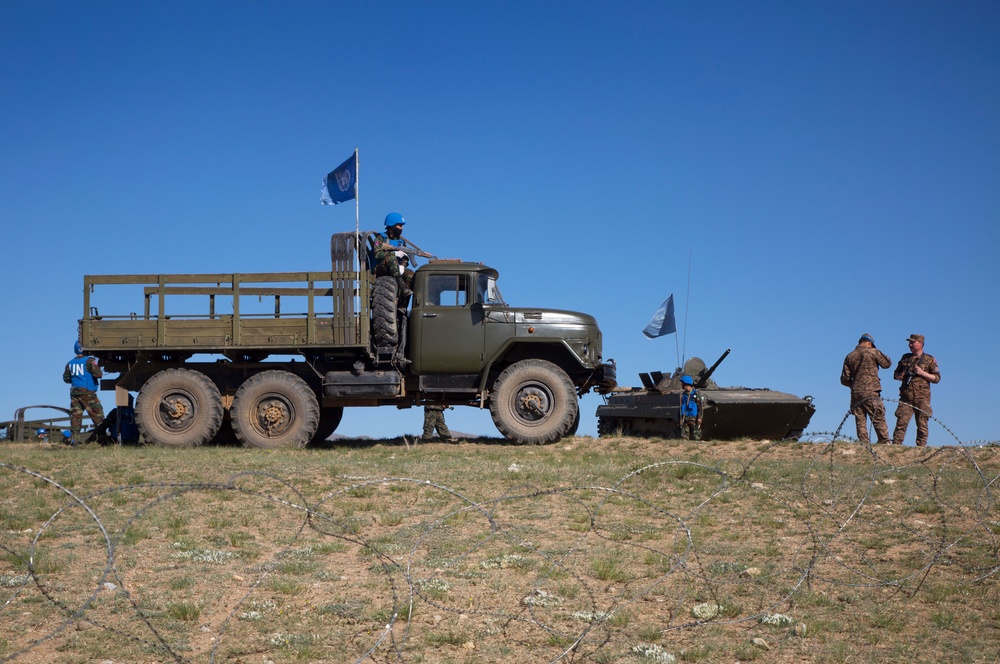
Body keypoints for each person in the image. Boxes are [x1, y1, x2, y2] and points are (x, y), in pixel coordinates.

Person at [840, 333, 892, 445]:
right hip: (871, 390)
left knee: (860, 420)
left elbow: (844, 379)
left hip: (856, 392)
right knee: (878, 416)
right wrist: (876, 350)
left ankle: (864, 443)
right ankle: (884, 441)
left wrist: (853, 385)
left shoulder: (850, 356)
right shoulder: (873, 352)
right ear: (869, 343)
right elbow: (887, 364)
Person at [891, 333, 940, 446]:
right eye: (910, 342)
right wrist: (900, 376)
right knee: (901, 422)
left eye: (913, 342)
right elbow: (895, 374)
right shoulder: (905, 358)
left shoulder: (929, 359)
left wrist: (922, 373)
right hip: (906, 396)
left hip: (922, 397)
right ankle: (896, 446)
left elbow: (936, 378)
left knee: (922, 422)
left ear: (921, 344)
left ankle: (921, 447)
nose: (910, 345)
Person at [63, 340, 105, 443]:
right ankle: (102, 440)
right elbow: (98, 374)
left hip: (74, 393)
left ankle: (74, 441)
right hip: (88, 392)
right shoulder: (89, 361)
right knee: (98, 416)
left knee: (76, 417)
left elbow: (66, 379)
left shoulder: (70, 363)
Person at [373, 212, 416, 297]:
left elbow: (405, 257)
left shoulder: (401, 241)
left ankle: (402, 305)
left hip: (397, 268)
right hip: (381, 268)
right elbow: (377, 254)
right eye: (399, 226)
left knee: (410, 274)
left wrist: (403, 266)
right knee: (391, 258)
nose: (401, 228)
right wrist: (394, 253)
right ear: (392, 225)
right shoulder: (381, 238)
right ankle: (402, 286)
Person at [678, 375, 705, 441]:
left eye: (682, 383)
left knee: (696, 436)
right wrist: (680, 418)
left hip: (694, 418)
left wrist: (699, 417)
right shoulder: (683, 394)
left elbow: (700, 406)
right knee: (684, 437)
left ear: (686, 383)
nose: (681, 384)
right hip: (685, 418)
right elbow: (681, 407)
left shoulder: (695, 393)